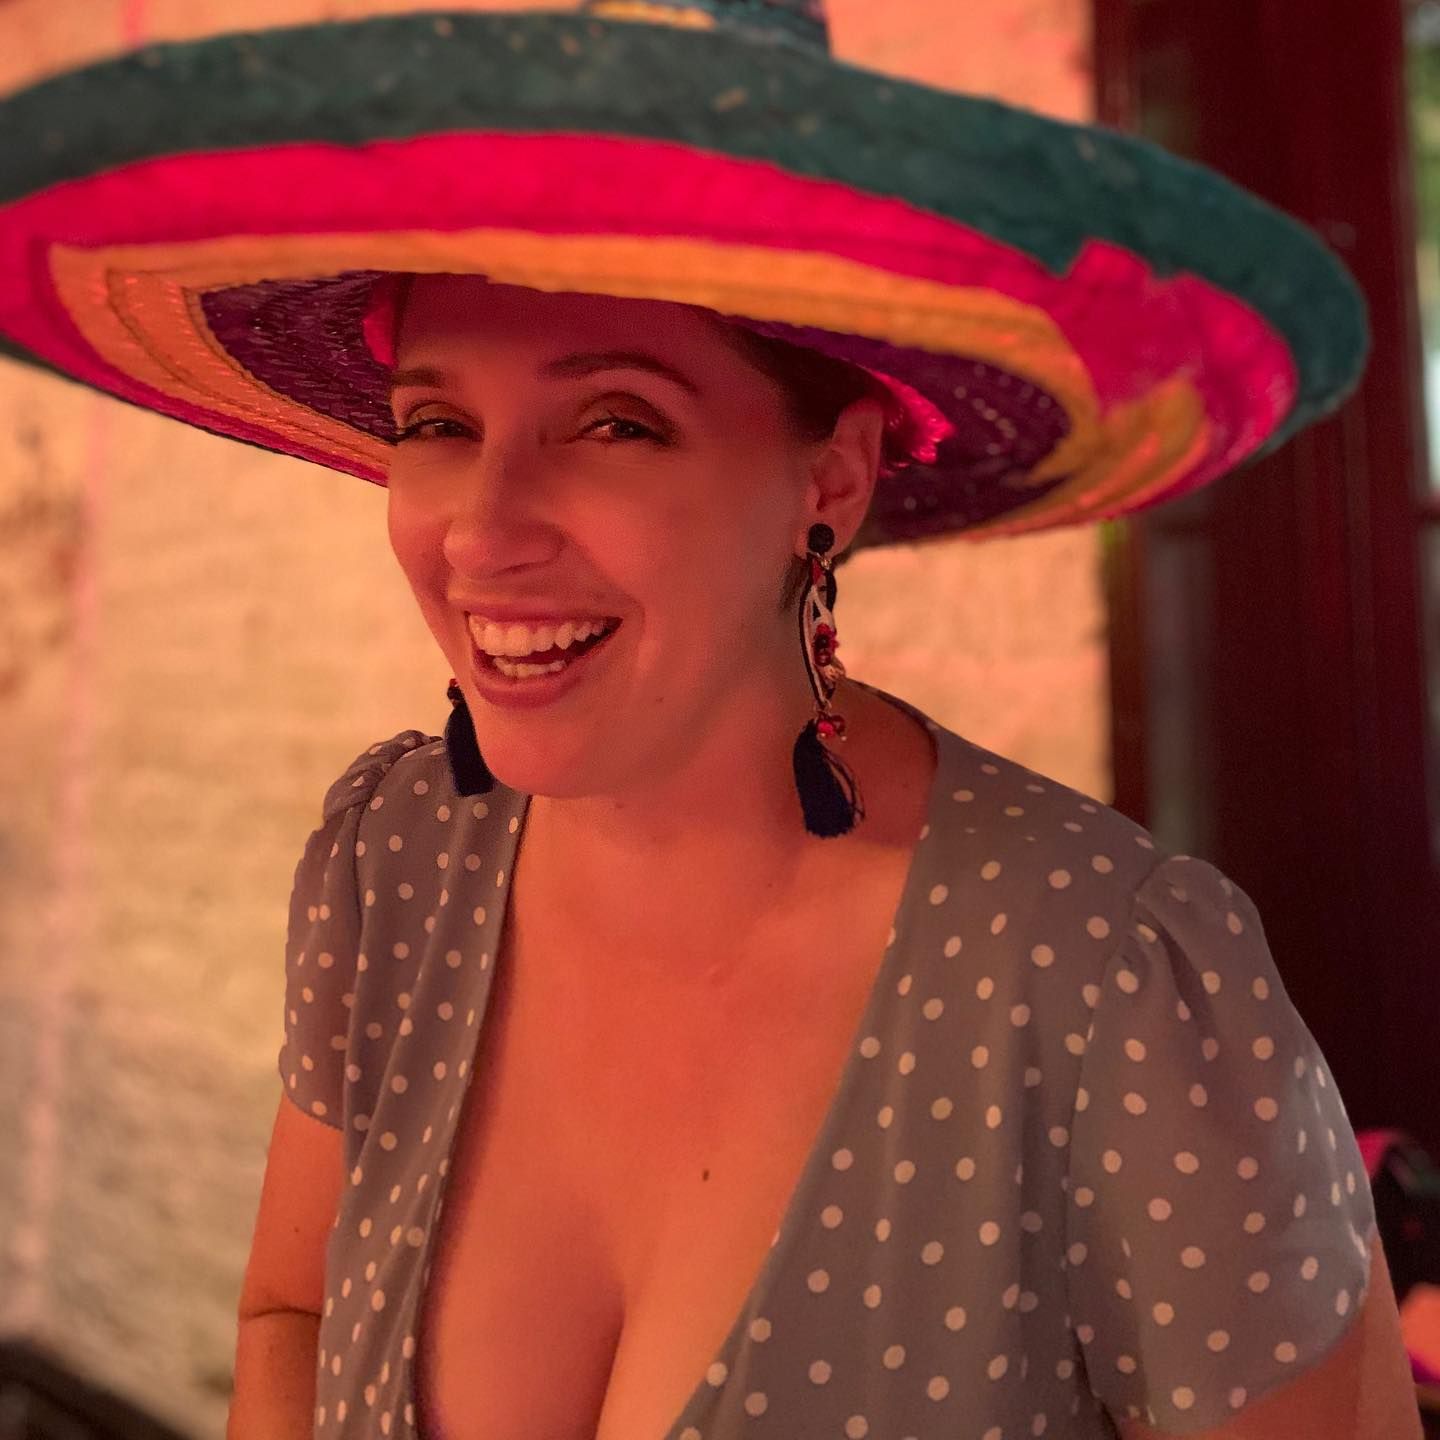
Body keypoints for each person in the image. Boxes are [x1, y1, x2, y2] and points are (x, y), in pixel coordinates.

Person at [0, 4, 1420, 1438]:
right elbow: (290, 1313)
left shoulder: (1107, 981)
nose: (481, 533)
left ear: (833, 481)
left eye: (616, 422)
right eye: (436, 424)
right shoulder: (394, 863)